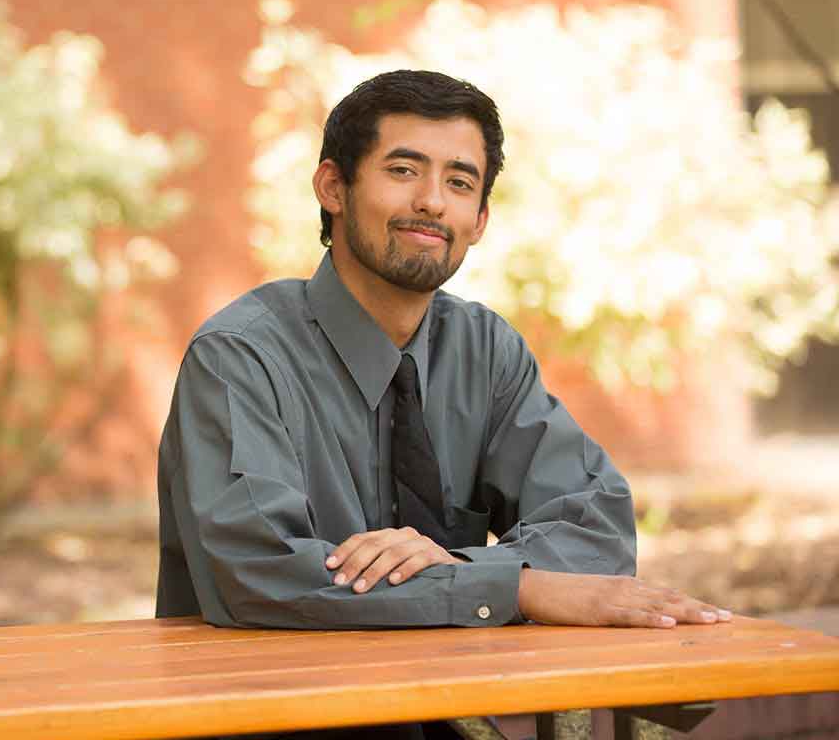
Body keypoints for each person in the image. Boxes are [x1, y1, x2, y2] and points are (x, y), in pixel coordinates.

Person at [155, 70, 728, 737]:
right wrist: (514, 586)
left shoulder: (485, 351)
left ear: (479, 220)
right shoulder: (240, 357)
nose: (432, 202)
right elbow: (257, 572)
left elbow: (594, 528)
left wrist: (456, 568)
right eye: (403, 170)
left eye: (459, 182)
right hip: (274, 721)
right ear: (333, 187)